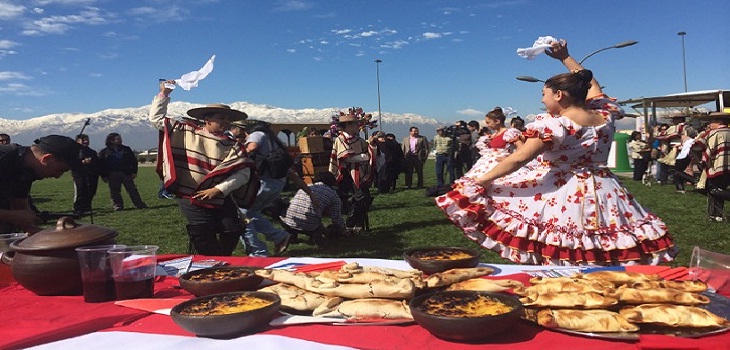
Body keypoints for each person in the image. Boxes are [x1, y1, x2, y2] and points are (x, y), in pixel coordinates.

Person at [436, 39, 676, 266]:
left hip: (564, 191)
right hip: (607, 191)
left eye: (544, 94)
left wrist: (479, 182)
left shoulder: (555, 126)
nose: (542, 100)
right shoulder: (605, 115)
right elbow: (591, 84)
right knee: (604, 245)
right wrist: (565, 57)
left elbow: (518, 158)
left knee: (564, 245)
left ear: (559, 95)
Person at [149, 80, 254, 256]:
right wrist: (164, 94)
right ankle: (211, 267)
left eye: (228, 118)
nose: (226, 122)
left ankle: (222, 262)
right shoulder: (187, 133)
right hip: (190, 196)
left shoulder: (233, 145)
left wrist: (219, 190)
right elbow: (156, 119)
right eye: (222, 117)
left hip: (220, 198)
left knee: (232, 230)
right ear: (207, 119)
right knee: (203, 235)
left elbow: (244, 172)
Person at [242, 120, 314, 257]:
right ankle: (278, 237)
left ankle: (258, 252)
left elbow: (251, 148)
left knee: (241, 216)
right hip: (276, 186)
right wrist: (310, 193)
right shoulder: (275, 145)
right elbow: (292, 175)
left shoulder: (257, 134)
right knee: (250, 214)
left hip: (262, 184)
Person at [0, 135, 82, 234]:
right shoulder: (4, 159)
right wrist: (14, 216)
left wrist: (32, 228)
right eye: (61, 170)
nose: (57, 176)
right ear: (47, 158)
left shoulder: (26, 169)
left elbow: (20, 206)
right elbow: (19, 214)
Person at [329, 113, 376, 231]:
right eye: (355, 124)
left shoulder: (358, 139)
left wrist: (372, 145)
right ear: (348, 126)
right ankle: (351, 224)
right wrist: (364, 157)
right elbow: (346, 157)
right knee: (359, 199)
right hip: (346, 175)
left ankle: (357, 223)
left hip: (359, 174)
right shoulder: (341, 139)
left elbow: (368, 149)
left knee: (365, 199)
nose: (357, 126)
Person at [280, 172, 346, 245]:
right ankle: (315, 234)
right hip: (309, 224)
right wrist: (342, 229)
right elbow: (336, 218)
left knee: (300, 213)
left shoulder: (307, 187)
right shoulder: (333, 194)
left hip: (289, 219)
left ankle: (292, 235)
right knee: (313, 221)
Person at [693, 112, 730, 221]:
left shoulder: (714, 133)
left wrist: (698, 139)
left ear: (719, 122)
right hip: (727, 165)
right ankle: (716, 214)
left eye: (712, 121)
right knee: (720, 187)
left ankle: (714, 214)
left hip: (717, 165)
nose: (709, 124)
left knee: (713, 189)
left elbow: (700, 146)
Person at [98, 133, 147, 211]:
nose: (121, 140)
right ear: (111, 140)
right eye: (118, 139)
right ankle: (118, 205)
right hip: (112, 173)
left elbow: (133, 161)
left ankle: (139, 204)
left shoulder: (126, 149)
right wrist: (103, 176)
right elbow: (101, 165)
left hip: (126, 173)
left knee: (132, 189)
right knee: (115, 191)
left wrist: (134, 171)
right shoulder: (104, 152)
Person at [71, 134, 100, 215]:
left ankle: (87, 207)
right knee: (80, 191)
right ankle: (78, 208)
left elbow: (97, 163)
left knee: (90, 191)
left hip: (91, 175)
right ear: (78, 141)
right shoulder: (74, 152)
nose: (86, 142)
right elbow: (72, 163)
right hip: (79, 175)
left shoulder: (92, 152)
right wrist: (82, 162)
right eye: (83, 140)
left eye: (87, 140)